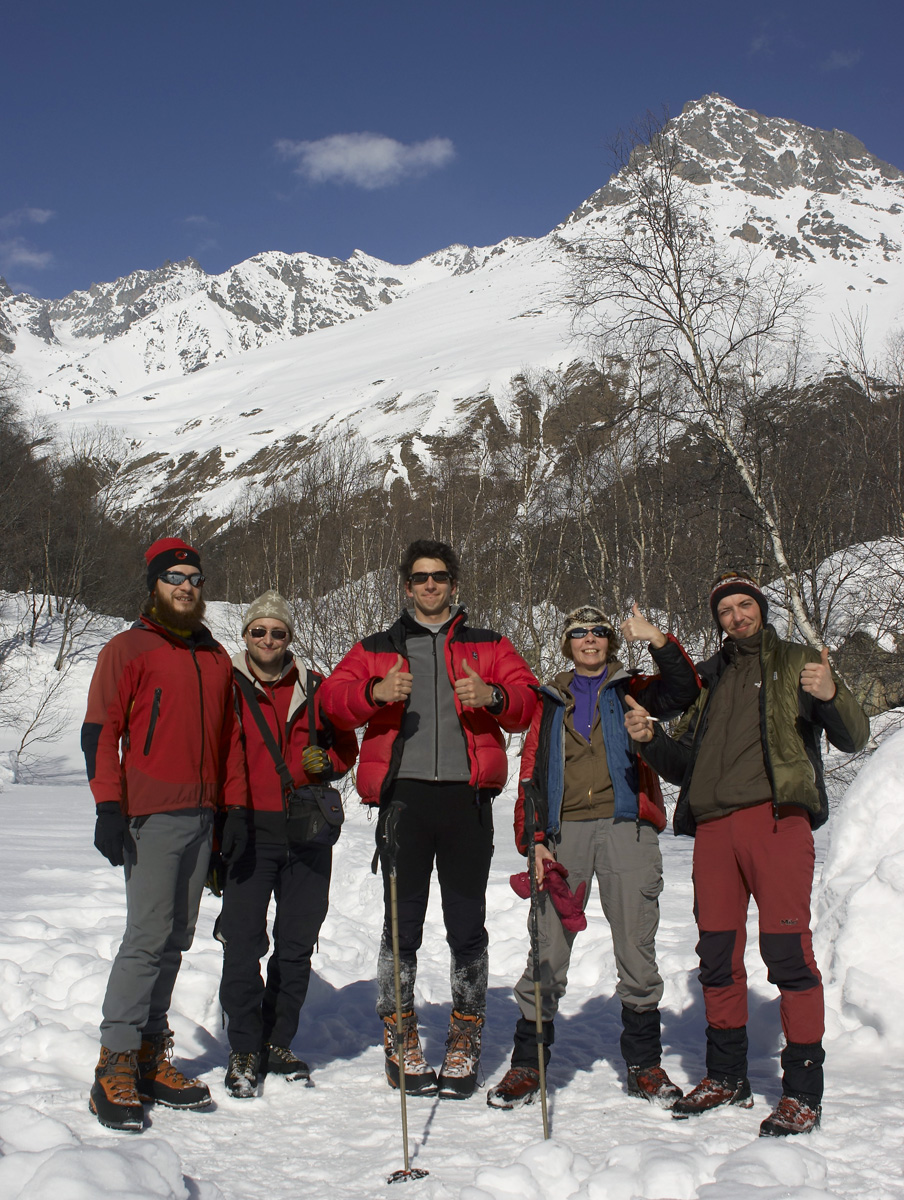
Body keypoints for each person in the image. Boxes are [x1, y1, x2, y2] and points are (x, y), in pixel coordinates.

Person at [625, 572, 869, 1136]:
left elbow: (853, 737)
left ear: (760, 608)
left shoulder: (798, 661)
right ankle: (726, 1075)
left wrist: (832, 694)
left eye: (744, 606)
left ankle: (804, 1091)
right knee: (716, 955)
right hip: (713, 829)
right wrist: (650, 740)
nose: (737, 616)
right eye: (726, 611)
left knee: (786, 953)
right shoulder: (710, 680)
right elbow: (686, 766)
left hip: (776, 820)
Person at [319, 539, 537, 1099]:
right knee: (402, 926)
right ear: (406, 585)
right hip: (404, 803)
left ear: (454, 584)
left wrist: (492, 695)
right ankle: (401, 1034)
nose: (430, 585)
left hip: (466, 802)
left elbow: (528, 701)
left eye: (439, 576)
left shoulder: (488, 644)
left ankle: (465, 1038)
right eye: (420, 578)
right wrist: (373, 691)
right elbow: (332, 701)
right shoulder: (378, 647)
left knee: (468, 925)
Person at [486, 604, 700, 1110]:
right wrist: (532, 838)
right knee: (548, 946)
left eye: (599, 632)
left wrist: (659, 639)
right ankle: (526, 1066)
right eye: (578, 633)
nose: (589, 639)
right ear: (567, 644)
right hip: (563, 836)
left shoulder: (635, 689)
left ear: (610, 642)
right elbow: (531, 775)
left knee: (635, 945)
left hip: (627, 828)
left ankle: (645, 1066)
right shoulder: (549, 702)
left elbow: (684, 690)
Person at [81, 537, 247, 1132]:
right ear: (154, 583)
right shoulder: (128, 649)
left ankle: (151, 1052)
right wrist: (107, 804)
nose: (185, 586)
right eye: (174, 577)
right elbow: (100, 732)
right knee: (147, 937)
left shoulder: (215, 656)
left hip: (203, 817)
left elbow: (229, 743)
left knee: (177, 937)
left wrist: (229, 815)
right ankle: (116, 1061)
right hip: (150, 816)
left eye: (194, 578)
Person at [218, 590, 358, 1098]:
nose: (269, 640)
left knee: (296, 946)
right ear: (246, 635)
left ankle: (278, 1043)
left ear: (290, 638)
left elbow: (347, 747)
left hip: (306, 835)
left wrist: (329, 764)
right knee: (240, 946)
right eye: (259, 631)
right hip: (247, 831)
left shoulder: (317, 689)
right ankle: (243, 1048)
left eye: (278, 632)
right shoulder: (224, 685)